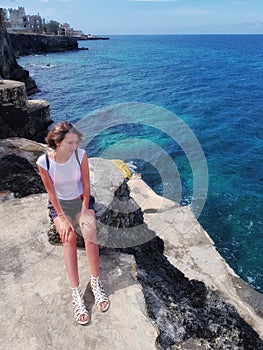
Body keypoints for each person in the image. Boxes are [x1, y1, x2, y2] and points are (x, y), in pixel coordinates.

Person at [36, 121, 110, 325]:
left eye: (76, 142)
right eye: (70, 143)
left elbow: (86, 185)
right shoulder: (44, 162)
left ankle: (95, 282)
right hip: (60, 206)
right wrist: (60, 217)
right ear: (57, 142)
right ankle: (76, 293)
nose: (74, 147)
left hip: (81, 200)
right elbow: (51, 193)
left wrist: (85, 210)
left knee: (90, 230)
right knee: (67, 238)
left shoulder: (81, 156)